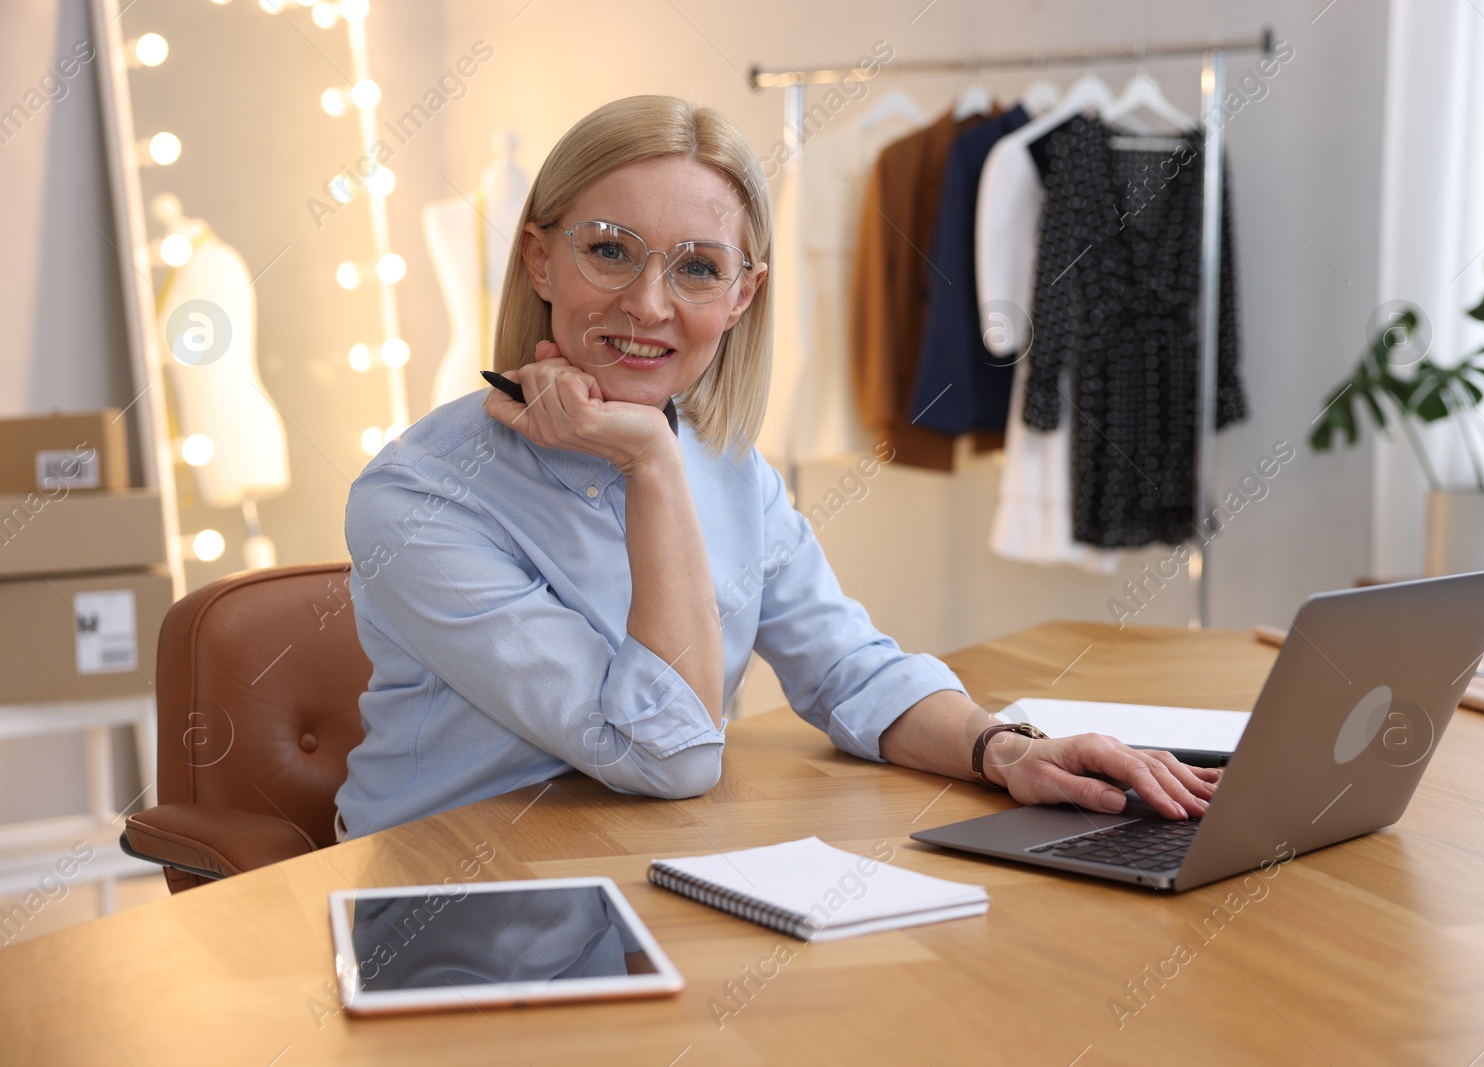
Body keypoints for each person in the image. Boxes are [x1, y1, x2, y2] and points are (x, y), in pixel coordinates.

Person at [334, 95, 1219, 841]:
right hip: (446, 894)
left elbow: (849, 671)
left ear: (741, 296)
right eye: (608, 248)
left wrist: (1009, 750)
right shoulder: (416, 499)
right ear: (538, 257)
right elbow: (670, 753)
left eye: (696, 268)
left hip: (643, 852)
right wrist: (650, 462)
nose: (647, 303)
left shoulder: (725, 462)